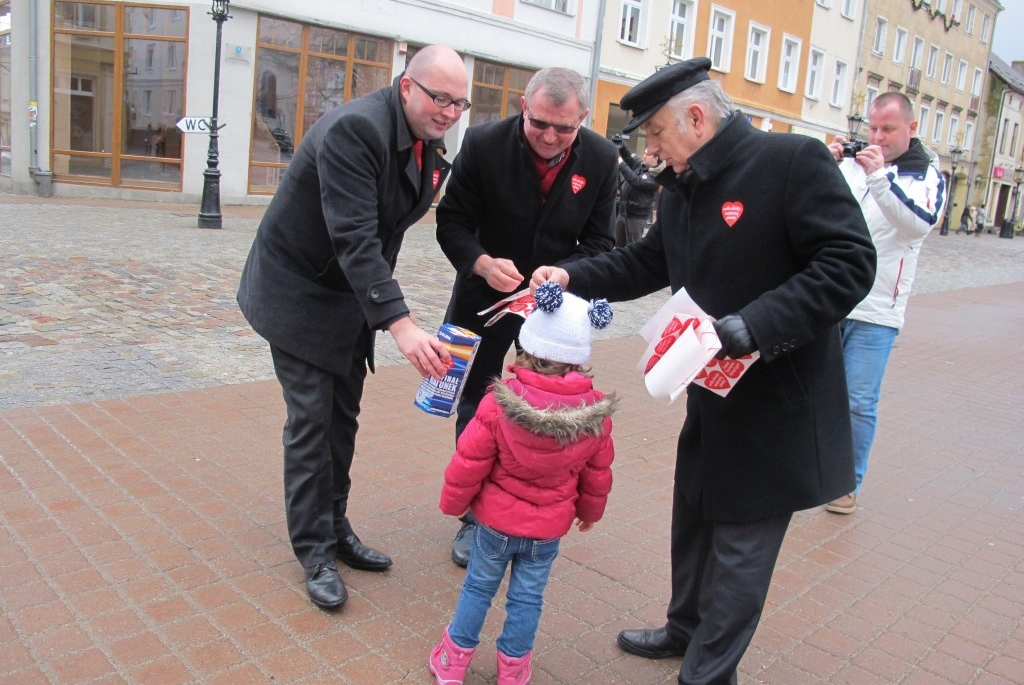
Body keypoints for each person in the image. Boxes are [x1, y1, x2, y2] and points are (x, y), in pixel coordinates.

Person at [530, 57, 876, 685]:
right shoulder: (684, 190)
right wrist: (570, 276)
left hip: (778, 403)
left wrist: (757, 325)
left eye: (657, 134)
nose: (652, 151)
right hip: (710, 392)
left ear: (695, 116)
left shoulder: (791, 162)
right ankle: (683, 629)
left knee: (742, 546)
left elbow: (850, 263)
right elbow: (643, 263)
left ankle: (708, 674)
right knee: (692, 511)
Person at [236, 45, 470, 610]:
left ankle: (336, 526)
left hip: (347, 298)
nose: (450, 111)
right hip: (298, 292)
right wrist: (400, 323)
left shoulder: (425, 144)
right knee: (313, 423)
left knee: (343, 418)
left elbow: (384, 233)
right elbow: (355, 237)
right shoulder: (354, 130)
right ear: (407, 86)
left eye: (460, 103)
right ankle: (314, 550)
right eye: (440, 97)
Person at [435, 67, 618, 568]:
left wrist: (565, 273)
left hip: (554, 309)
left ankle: (532, 505)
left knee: (548, 406)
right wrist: (480, 261)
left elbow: (604, 243)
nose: (549, 136)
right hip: (485, 299)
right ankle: (476, 517)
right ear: (523, 105)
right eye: (539, 123)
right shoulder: (482, 143)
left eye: (564, 128)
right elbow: (451, 221)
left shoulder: (602, 158)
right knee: (478, 402)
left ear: (583, 118)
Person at [428, 283, 616, 685]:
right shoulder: (594, 414)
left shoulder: (498, 403)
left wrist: (452, 502)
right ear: (576, 361)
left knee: (478, 589)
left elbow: (469, 461)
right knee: (528, 598)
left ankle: (453, 662)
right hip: (547, 529)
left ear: (525, 348)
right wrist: (589, 513)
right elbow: (597, 474)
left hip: (494, 523)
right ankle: (513, 670)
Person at [825, 92, 945, 515]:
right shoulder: (855, 166)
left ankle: (847, 483)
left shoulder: (925, 175)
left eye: (888, 129)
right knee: (820, 392)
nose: (878, 137)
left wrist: (879, 179)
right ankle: (814, 471)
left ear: (910, 128)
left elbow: (917, 224)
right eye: (873, 128)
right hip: (831, 298)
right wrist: (826, 161)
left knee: (858, 400)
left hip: (878, 311)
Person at [614, 136, 660, 247]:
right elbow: (629, 158)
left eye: (647, 154)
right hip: (623, 213)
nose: (643, 156)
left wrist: (620, 163)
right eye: (644, 153)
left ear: (655, 159)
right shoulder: (640, 165)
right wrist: (622, 146)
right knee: (618, 247)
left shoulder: (655, 176)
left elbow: (636, 181)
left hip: (636, 218)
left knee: (632, 247)